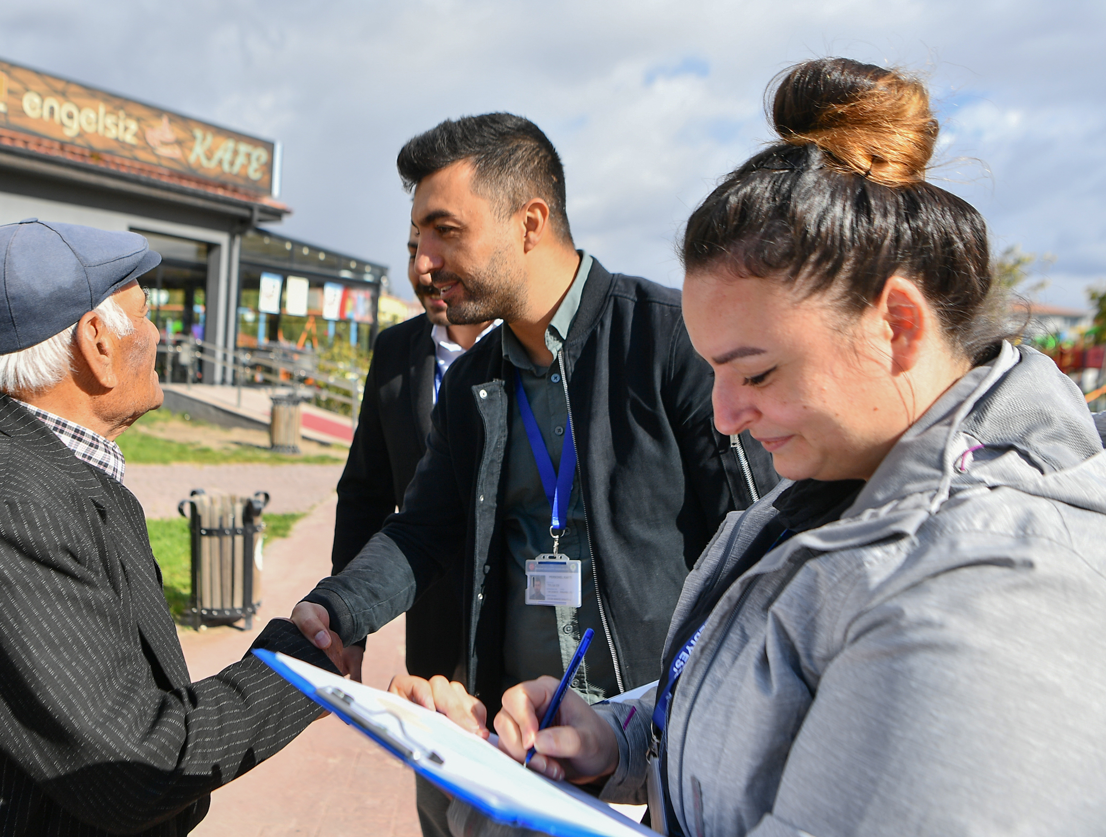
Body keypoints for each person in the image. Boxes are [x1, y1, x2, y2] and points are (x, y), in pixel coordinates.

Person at [463, 58, 1106, 836]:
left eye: (756, 372)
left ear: (895, 327)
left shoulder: (995, 591)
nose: (725, 415)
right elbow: (773, 700)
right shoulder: (838, 479)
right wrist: (617, 734)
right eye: (712, 372)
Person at [293, 113, 776, 835]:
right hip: (517, 753)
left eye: (444, 230)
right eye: (417, 238)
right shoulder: (471, 385)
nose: (421, 262)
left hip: (655, 758)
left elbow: (760, 545)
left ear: (530, 221)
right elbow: (421, 528)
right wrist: (336, 611)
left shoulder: (672, 340)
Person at [0, 220, 339, 837]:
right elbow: (135, 767)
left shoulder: (7, 448)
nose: (158, 334)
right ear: (97, 342)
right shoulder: (5, 505)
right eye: (147, 313)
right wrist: (302, 672)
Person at [331, 225, 499, 684]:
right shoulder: (394, 350)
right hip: (433, 635)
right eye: (413, 252)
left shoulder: (529, 353)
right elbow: (366, 493)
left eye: (445, 247)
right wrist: (346, 627)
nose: (424, 270)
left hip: (524, 635)